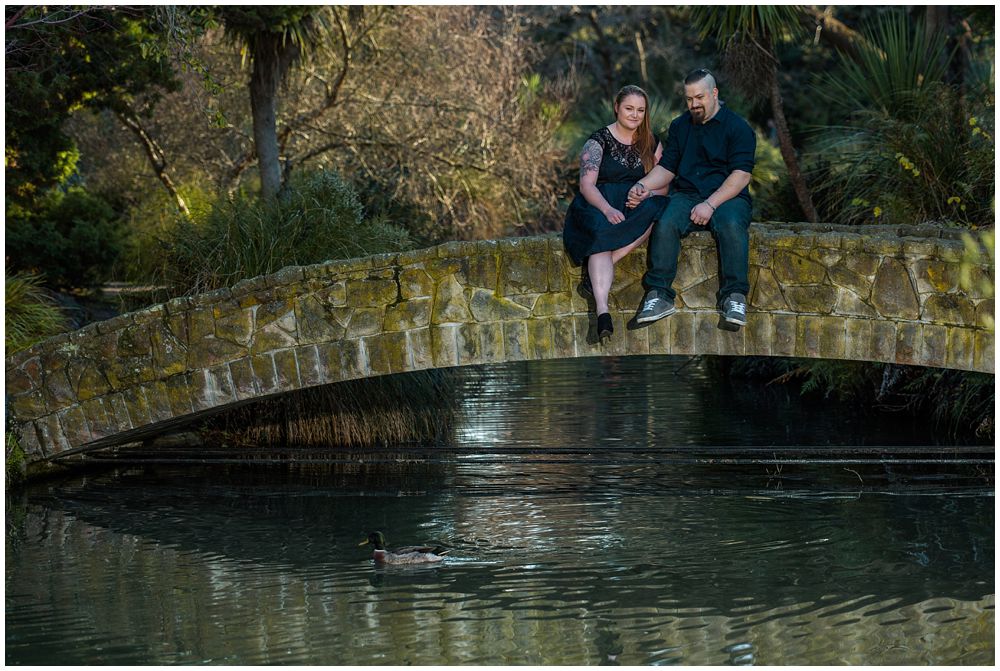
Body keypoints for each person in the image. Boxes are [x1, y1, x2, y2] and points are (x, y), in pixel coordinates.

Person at [627, 69, 756, 328]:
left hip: (728, 196)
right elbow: (667, 168)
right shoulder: (680, 126)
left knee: (731, 225)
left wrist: (710, 204)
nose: (694, 104)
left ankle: (734, 296)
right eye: (689, 99)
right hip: (687, 195)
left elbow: (741, 176)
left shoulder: (738, 127)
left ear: (714, 93)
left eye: (700, 97)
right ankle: (659, 296)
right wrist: (642, 185)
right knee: (665, 223)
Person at [563, 85, 669, 341]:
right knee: (601, 234)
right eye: (629, 108)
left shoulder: (652, 142)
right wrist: (607, 209)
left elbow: (663, 185)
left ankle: (598, 272)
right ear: (617, 108)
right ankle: (602, 312)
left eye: (640, 110)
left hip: (635, 204)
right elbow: (586, 185)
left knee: (660, 209)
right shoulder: (598, 140)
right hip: (599, 202)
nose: (634, 115)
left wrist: (647, 194)